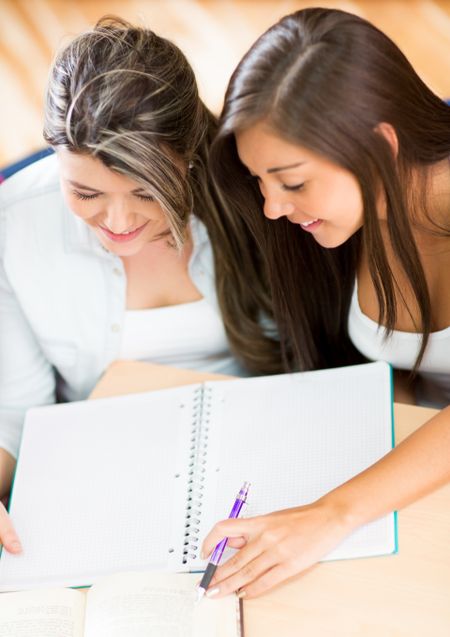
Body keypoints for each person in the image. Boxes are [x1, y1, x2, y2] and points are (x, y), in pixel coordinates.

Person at [0, 18, 280, 553]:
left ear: (188, 155)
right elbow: (16, 414)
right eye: (85, 194)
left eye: (147, 192)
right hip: (104, 478)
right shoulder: (16, 224)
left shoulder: (258, 199)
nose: (120, 222)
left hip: (259, 457)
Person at [201, 8, 450, 599]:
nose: (272, 208)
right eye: (260, 180)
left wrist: (331, 514)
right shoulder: (333, 221)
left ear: (381, 145)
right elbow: (397, 370)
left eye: (292, 182)